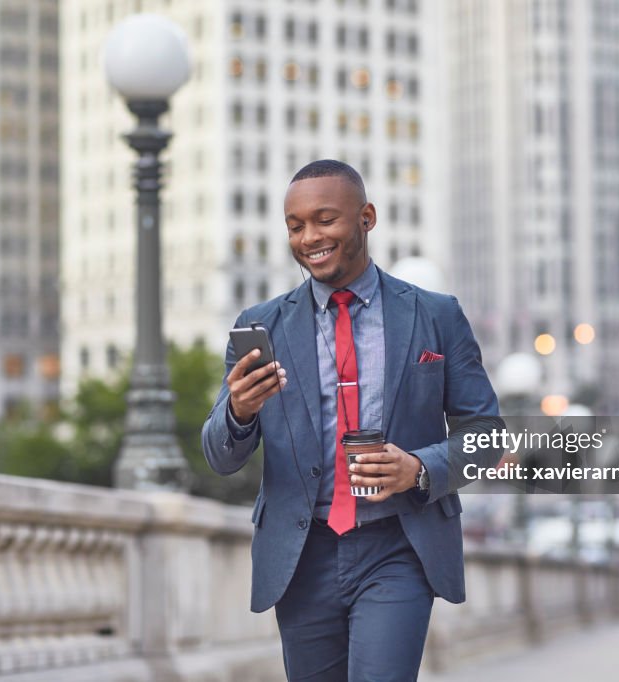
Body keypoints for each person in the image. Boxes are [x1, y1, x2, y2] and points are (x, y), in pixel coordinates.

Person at [201, 160, 504, 681]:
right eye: (295, 226)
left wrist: (420, 467)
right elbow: (220, 457)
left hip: (398, 545)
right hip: (302, 555)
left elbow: (487, 436)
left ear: (366, 217)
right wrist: (239, 411)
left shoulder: (435, 315)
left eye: (325, 220)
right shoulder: (260, 325)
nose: (309, 238)